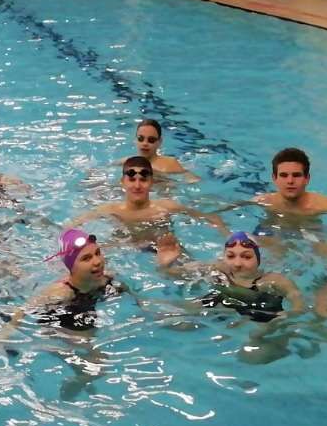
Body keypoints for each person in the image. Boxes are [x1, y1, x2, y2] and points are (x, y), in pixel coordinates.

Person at [158, 230, 302, 322]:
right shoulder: (218, 269)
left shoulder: (273, 281)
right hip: (223, 304)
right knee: (170, 318)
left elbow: (298, 303)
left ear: (258, 259)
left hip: (261, 313)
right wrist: (165, 265)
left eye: (246, 257)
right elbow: (177, 274)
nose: (237, 263)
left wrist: (287, 317)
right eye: (231, 256)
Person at [69, 155, 224, 235]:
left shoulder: (167, 207)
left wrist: (226, 237)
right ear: (122, 182)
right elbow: (70, 227)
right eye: (132, 180)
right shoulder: (110, 210)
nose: (137, 185)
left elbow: (212, 218)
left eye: (143, 180)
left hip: (162, 249)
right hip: (125, 248)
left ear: (151, 182)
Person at [128, 119, 198, 182]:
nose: (145, 143)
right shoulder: (127, 162)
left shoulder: (169, 164)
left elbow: (193, 179)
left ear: (159, 142)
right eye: (140, 138)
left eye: (151, 140)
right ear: (135, 139)